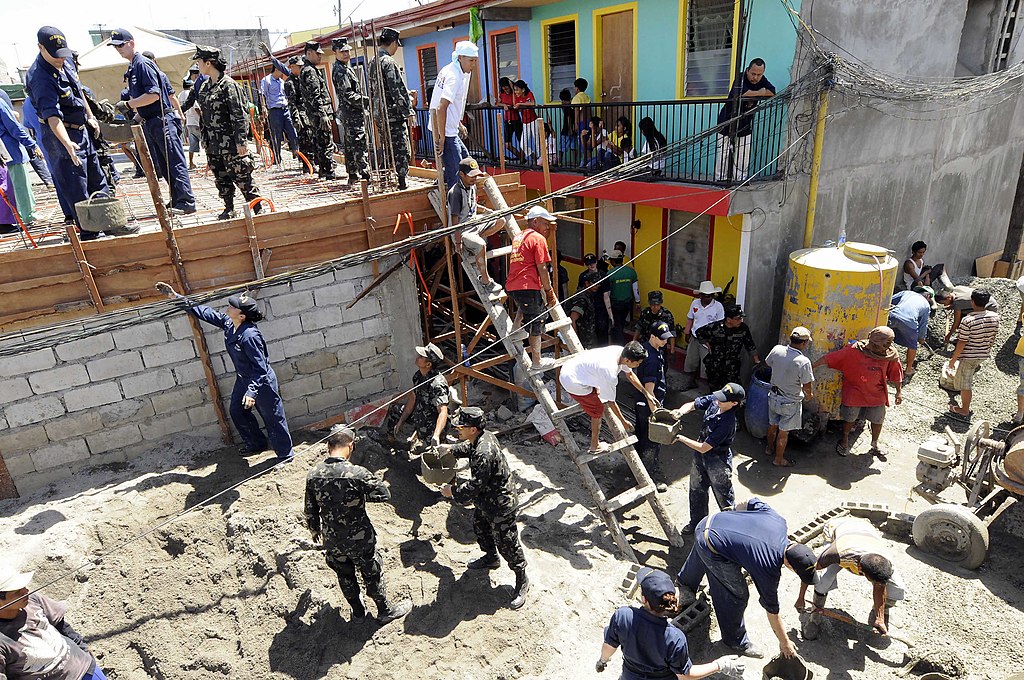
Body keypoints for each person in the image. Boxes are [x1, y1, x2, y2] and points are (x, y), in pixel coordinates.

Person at [156, 282, 293, 461]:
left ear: (242, 316)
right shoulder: (230, 323)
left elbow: (260, 368)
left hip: (261, 382)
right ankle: (256, 444)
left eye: (233, 306)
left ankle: (285, 456)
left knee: (273, 418)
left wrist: (252, 392)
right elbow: (206, 313)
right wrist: (177, 298)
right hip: (243, 379)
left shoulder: (250, 336)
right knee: (237, 411)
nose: (229, 307)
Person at [676, 497, 816, 659]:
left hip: (711, 521)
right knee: (737, 594)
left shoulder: (779, 521)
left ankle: (685, 584)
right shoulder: (769, 566)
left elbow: (749, 502)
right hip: (710, 541)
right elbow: (772, 611)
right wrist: (784, 642)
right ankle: (735, 641)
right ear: (790, 567)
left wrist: (732, 519)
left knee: (713, 543)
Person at [305, 425, 412, 623]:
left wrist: (314, 530)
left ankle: (358, 611)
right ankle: (384, 610)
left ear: (328, 445)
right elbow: (383, 494)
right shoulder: (357, 474)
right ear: (351, 445)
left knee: (344, 575)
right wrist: (357, 497)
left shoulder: (314, 475)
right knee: (371, 572)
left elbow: (310, 511)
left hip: (332, 538)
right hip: (359, 537)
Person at [438, 407, 530, 609]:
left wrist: (452, 492)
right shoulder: (482, 437)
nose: (457, 430)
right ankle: (490, 558)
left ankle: (522, 579)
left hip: (500, 505)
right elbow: (468, 447)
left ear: (472, 429)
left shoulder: (483, 452)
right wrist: (451, 449)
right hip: (486, 501)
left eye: (461, 427)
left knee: (507, 543)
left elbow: (475, 485)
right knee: (480, 528)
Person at [25, 26, 111, 235]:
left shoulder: (66, 61)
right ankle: (90, 234)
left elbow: (79, 92)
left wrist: (91, 117)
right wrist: (67, 145)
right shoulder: (39, 77)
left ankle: (109, 223)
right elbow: (52, 116)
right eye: (56, 55)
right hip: (60, 137)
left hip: (81, 130)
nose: (60, 59)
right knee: (77, 187)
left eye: (63, 54)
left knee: (98, 181)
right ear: (40, 48)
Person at [597, 567, 745, 679]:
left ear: (644, 599)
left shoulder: (623, 616)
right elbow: (685, 675)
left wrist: (602, 661)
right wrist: (720, 665)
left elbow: (609, 646)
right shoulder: (674, 637)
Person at [111, 29, 195, 214]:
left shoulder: (142, 64)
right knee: (164, 165)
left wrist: (128, 103)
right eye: (115, 46)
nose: (118, 49)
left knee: (174, 161)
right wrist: (134, 119)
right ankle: (177, 199)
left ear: (131, 43)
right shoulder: (134, 66)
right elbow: (147, 104)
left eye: (121, 45)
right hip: (152, 121)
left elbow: (154, 95)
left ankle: (186, 201)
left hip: (162, 120)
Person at [799, 516, 905, 640]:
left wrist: (879, 618)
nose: (878, 585)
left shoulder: (885, 562)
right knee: (823, 581)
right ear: (859, 569)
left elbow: (880, 585)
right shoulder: (836, 554)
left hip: (864, 529)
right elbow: (809, 571)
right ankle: (815, 618)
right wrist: (801, 597)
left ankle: (881, 613)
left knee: (897, 587)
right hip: (837, 528)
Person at [0, 565, 109, 679]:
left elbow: (61, 625)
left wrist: (83, 647)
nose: (26, 591)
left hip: (85, 669)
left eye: (24, 586)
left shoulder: (32, 600)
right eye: (17, 591)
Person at [193, 46, 262, 221]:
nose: (197, 65)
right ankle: (229, 207)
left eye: (199, 62)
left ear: (208, 63)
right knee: (221, 178)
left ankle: (258, 208)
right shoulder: (205, 87)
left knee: (242, 176)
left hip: (230, 143)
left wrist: (241, 142)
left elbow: (240, 115)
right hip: (213, 144)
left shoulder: (229, 86)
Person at [813, 326, 903, 458]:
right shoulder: (855, 350)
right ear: (874, 342)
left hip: (876, 394)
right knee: (850, 418)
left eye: (889, 344)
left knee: (878, 419)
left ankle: (875, 444)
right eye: (884, 344)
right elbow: (831, 358)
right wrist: (811, 366)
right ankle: (845, 439)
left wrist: (898, 392)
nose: (886, 347)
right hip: (855, 391)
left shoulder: (890, 355)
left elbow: (896, 373)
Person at [559, 342, 659, 454]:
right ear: (628, 361)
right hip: (571, 381)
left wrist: (647, 394)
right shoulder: (610, 373)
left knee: (600, 392)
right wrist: (623, 422)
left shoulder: (621, 351)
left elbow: (630, 375)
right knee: (597, 410)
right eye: (637, 363)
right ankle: (594, 446)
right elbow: (611, 402)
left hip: (573, 366)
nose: (638, 366)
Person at [674, 383, 744, 532]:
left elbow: (704, 447)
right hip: (700, 457)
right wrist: (680, 412)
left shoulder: (728, 422)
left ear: (734, 403)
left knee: (724, 498)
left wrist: (679, 438)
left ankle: (731, 533)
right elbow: (693, 404)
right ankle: (697, 524)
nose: (718, 400)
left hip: (718, 461)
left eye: (724, 399)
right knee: (696, 490)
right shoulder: (717, 400)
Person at [507, 205, 558, 369]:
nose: (547, 227)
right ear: (535, 221)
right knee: (537, 322)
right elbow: (542, 268)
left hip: (514, 285)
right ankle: (537, 362)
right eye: (545, 224)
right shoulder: (538, 238)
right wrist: (549, 291)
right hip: (527, 285)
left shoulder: (518, 237)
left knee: (527, 307)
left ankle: (515, 330)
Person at [448, 156, 506, 294]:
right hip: (462, 230)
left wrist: (486, 211)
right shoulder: (455, 193)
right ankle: (485, 281)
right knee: (481, 245)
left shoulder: (472, 187)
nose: (474, 178)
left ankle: (475, 239)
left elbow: (471, 205)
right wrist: (457, 243)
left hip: (475, 223)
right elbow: (455, 221)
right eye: (471, 176)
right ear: (461, 175)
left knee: (501, 220)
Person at [715, 58, 775, 181]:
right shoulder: (740, 77)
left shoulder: (761, 80)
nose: (756, 77)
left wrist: (757, 93)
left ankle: (740, 179)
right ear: (748, 70)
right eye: (753, 74)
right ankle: (721, 178)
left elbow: (772, 92)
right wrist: (760, 92)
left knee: (743, 153)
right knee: (724, 152)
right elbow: (742, 93)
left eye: (759, 74)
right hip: (727, 120)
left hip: (745, 122)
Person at [369, 27, 414, 190]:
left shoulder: (373, 61)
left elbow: (381, 89)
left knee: (387, 147)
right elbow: (395, 90)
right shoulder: (388, 62)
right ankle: (401, 180)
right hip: (393, 114)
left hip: (379, 113)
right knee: (400, 147)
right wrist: (408, 110)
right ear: (394, 43)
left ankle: (386, 178)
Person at [429, 41, 477, 189]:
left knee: (466, 162)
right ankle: (455, 208)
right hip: (446, 132)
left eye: (475, 60)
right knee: (458, 172)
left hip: (449, 128)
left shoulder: (450, 69)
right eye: (470, 60)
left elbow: (449, 107)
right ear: (460, 57)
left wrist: (459, 124)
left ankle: (443, 181)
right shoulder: (454, 76)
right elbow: (441, 107)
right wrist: (442, 138)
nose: (473, 64)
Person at [383, 342, 451, 449]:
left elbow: (443, 412)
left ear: (428, 364)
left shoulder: (437, 384)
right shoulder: (418, 376)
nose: (417, 357)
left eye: (421, 357)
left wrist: (436, 435)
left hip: (431, 422)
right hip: (419, 414)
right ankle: (392, 443)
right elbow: (412, 399)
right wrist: (401, 421)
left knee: (435, 451)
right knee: (396, 410)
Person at [764, 327, 814, 467]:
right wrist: (809, 396)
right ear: (804, 343)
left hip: (773, 396)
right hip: (790, 401)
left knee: (772, 425)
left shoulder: (777, 349)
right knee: (783, 433)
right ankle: (778, 459)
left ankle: (769, 449)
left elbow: (768, 363)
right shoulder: (803, 362)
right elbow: (807, 386)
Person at [634, 322, 674, 492]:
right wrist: (657, 415)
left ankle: (636, 468)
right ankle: (649, 476)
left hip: (641, 404)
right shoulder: (651, 360)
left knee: (641, 436)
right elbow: (649, 391)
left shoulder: (647, 349)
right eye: (662, 338)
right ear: (652, 336)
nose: (665, 341)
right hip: (649, 406)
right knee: (652, 441)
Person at [947, 288, 999, 418]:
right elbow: (993, 337)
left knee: (965, 385)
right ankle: (959, 380)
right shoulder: (995, 317)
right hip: (983, 353)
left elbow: (962, 343)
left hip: (969, 356)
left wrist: (953, 361)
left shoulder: (968, 320)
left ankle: (964, 410)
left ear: (972, 302)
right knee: (966, 376)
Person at [330, 38, 370, 184]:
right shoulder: (340, 70)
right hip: (351, 113)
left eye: (347, 50)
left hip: (352, 113)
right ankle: (365, 176)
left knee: (350, 144)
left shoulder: (346, 67)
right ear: (335, 52)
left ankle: (353, 175)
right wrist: (367, 101)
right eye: (342, 51)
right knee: (358, 144)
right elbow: (348, 95)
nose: (346, 54)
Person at [695, 304, 760, 391]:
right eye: (737, 319)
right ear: (729, 320)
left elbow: (750, 344)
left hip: (732, 367)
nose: (740, 321)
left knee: (733, 391)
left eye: (741, 318)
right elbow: (699, 332)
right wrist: (707, 344)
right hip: (715, 366)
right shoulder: (715, 327)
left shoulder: (743, 329)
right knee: (715, 391)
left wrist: (756, 361)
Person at [0, 97, 43, 224]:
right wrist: (32, 144)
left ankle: (13, 217)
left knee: (8, 188)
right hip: (10, 151)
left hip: (3, 154)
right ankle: (28, 215)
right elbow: (13, 127)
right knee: (20, 186)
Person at [299, 41, 336, 180]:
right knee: (325, 143)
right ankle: (328, 172)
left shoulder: (308, 69)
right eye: (317, 54)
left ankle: (324, 171)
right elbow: (315, 95)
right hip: (319, 114)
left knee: (320, 143)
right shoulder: (310, 71)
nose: (320, 57)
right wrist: (323, 114)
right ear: (309, 53)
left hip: (315, 114)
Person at [259, 53, 299, 168]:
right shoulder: (266, 80)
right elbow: (262, 94)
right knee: (276, 135)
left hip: (285, 109)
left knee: (292, 132)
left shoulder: (282, 82)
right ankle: (277, 158)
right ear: (276, 69)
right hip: (274, 110)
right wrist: (263, 108)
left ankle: (296, 153)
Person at [682, 281, 724, 389]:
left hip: (708, 341)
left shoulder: (718, 307)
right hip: (695, 337)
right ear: (700, 295)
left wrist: (713, 342)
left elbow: (720, 326)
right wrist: (687, 332)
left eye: (710, 296)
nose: (708, 298)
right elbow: (690, 318)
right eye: (706, 296)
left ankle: (707, 388)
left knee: (707, 366)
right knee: (691, 361)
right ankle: (690, 382)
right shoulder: (695, 303)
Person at [888, 286, 933, 376]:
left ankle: (881, 360)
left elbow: (889, 300)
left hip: (893, 315)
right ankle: (908, 369)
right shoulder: (926, 305)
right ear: (928, 296)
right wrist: (921, 338)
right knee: (913, 346)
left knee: (886, 336)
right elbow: (923, 324)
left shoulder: (907, 292)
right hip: (909, 321)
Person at [579, 253, 613, 344]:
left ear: (596, 262)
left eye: (593, 263)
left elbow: (606, 296)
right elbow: (580, 292)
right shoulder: (583, 276)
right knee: (587, 331)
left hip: (600, 307)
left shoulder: (603, 276)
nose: (591, 265)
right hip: (587, 307)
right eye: (589, 263)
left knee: (602, 330)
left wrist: (610, 315)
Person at [608, 249, 640, 344]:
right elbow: (635, 289)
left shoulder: (610, 274)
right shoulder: (631, 272)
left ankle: (619, 346)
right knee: (621, 323)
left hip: (615, 304)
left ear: (612, 261)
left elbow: (607, 293)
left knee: (618, 326)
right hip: (627, 304)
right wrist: (638, 302)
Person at [633, 290, 676, 358]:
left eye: (657, 305)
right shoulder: (645, 312)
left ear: (661, 303)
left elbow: (672, 333)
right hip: (645, 344)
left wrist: (672, 349)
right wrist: (633, 342)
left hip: (659, 347)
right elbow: (639, 328)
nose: (655, 307)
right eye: (652, 305)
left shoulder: (667, 315)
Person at [495, 77, 523, 162]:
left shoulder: (514, 93)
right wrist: (503, 105)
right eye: (504, 88)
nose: (505, 90)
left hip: (516, 120)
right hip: (507, 120)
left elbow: (515, 104)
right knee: (507, 144)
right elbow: (497, 103)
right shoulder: (502, 94)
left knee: (521, 142)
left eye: (507, 88)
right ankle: (521, 157)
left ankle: (522, 160)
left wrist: (512, 87)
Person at [512, 79, 539, 164]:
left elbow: (532, 103)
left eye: (517, 89)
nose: (516, 92)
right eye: (515, 90)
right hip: (525, 122)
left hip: (533, 120)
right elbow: (518, 109)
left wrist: (520, 104)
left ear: (523, 90)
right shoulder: (517, 97)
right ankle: (533, 155)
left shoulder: (529, 94)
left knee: (537, 141)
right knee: (523, 144)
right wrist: (518, 106)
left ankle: (540, 160)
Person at [567, 280, 597, 349]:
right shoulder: (582, 299)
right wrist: (575, 339)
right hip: (583, 337)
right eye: (594, 284)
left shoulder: (588, 295)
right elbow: (573, 319)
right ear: (587, 283)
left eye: (599, 284)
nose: (597, 286)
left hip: (587, 334)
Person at [181, 79, 202, 169]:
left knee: (192, 144)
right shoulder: (190, 94)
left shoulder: (180, 95)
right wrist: (203, 118)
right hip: (196, 121)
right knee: (207, 142)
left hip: (189, 121)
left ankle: (191, 163)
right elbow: (196, 108)